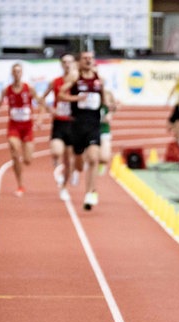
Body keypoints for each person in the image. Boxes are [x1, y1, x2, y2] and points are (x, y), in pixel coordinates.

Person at [0, 62, 45, 197]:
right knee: (15, 152)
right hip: (14, 127)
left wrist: (40, 119)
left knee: (28, 160)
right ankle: (20, 185)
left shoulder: (29, 88)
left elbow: (42, 104)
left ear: (22, 73)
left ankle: (23, 158)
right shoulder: (7, 90)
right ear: (12, 74)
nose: (17, 74)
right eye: (15, 71)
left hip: (27, 128)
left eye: (19, 71)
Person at [70, 51, 106, 211]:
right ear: (80, 61)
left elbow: (104, 100)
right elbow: (62, 95)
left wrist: (111, 105)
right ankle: (77, 171)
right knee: (79, 162)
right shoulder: (74, 77)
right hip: (77, 125)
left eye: (91, 58)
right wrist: (76, 98)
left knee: (93, 158)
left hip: (93, 125)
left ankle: (90, 193)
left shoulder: (100, 80)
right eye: (85, 58)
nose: (89, 60)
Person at [41, 53, 79, 201]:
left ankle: (63, 188)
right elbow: (42, 98)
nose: (67, 64)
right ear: (61, 64)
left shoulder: (77, 83)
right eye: (64, 62)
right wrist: (49, 110)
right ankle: (58, 169)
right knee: (57, 152)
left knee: (69, 159)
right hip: (59, 123)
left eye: (70, 62)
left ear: (73, 64)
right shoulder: (55, 82)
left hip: (72, 124)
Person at [98, 89, 118, 175]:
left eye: (108, 100)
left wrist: (112, 111)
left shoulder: (109, 110)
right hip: (93, 132)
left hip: (104, 133)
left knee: (105, 157)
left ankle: (102, 163)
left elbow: (108, 118)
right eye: (105, 99)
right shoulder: (96, 106)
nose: (106, 102)